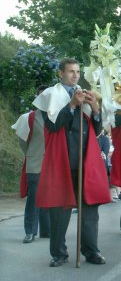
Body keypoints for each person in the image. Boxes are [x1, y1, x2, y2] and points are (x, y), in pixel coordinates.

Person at [32, 58, 110, 267]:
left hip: (85, 160)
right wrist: (73, 105)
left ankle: (91, 250)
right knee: (59, 209)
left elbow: (97, 129)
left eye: (77, 71)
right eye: (70, 71)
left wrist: (94, 109)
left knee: (89, 209)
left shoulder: (84, 94)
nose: (75, 75)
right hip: (62, 160)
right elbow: (53, 125)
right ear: (60, 73)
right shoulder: (50, 95)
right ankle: (59, 253)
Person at [12, 85, 50, 243]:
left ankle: (47, 231)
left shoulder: (59, 116)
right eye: (40, 96)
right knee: (34, 198)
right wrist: (32, 153)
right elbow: (22, 141)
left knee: (50, 197)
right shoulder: (29, 117)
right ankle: (30, 231)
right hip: (35, 163)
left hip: (54, 164)